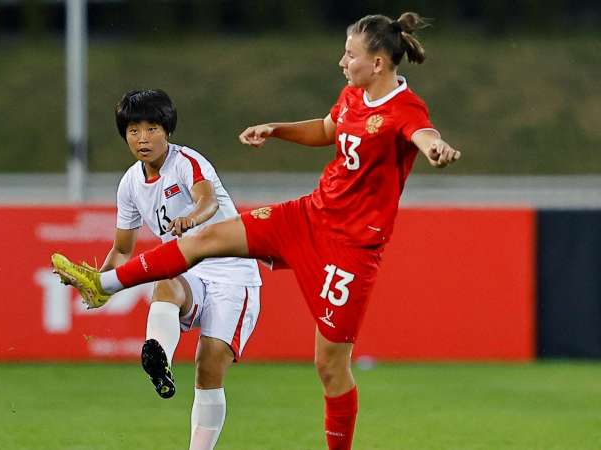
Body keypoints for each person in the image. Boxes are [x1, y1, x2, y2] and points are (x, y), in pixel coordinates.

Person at [53, 12, 460, 450]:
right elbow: (328, 128)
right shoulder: (352, 96)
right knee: (204, 239)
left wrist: (434, 146)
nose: (342, 61)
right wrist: (277, 129)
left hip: (351, 248)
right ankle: (103, 284)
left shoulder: (405, 108)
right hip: (308, 216)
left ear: (377, 63)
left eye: (350, 54)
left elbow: (423, 132)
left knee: (329, 367)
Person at [56, 89, 262, 450]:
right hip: (191, 272)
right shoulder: (130, 184)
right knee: (165, 281)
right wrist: (101, 284)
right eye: (134, 130)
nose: (143, 138)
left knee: (208, 369)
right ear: (125, 136)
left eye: (152, 128)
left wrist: (190, 218)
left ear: (167, 130)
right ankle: (159, 357)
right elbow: (122, 249)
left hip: (232, 273)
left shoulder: (186, 162)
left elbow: (208, 201)